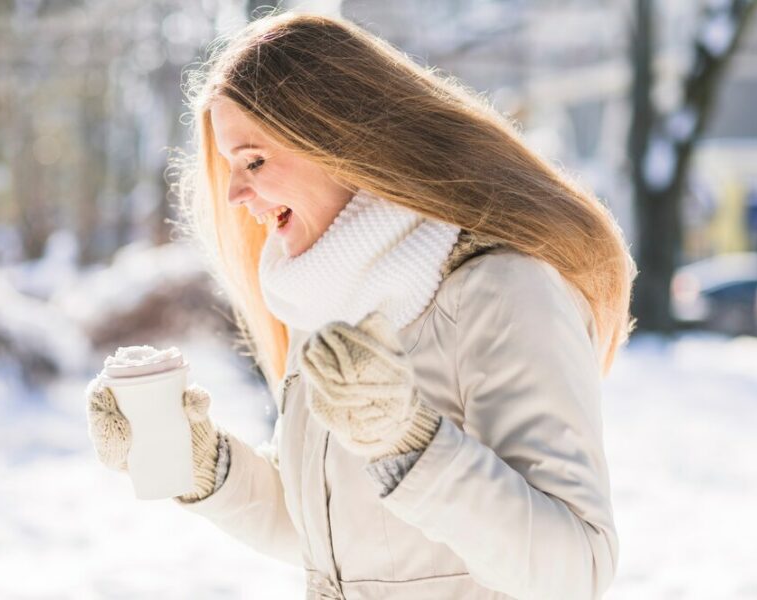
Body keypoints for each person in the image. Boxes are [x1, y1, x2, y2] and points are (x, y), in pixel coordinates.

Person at [85, 10, 636, 600]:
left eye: (254, 160)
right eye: (230, 167)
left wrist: (409, 442)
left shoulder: (504, 288)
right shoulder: (322, 297)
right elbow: (330, 534)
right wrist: (203, 463)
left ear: (339, 140)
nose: (235, 193)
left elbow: (578, 569)